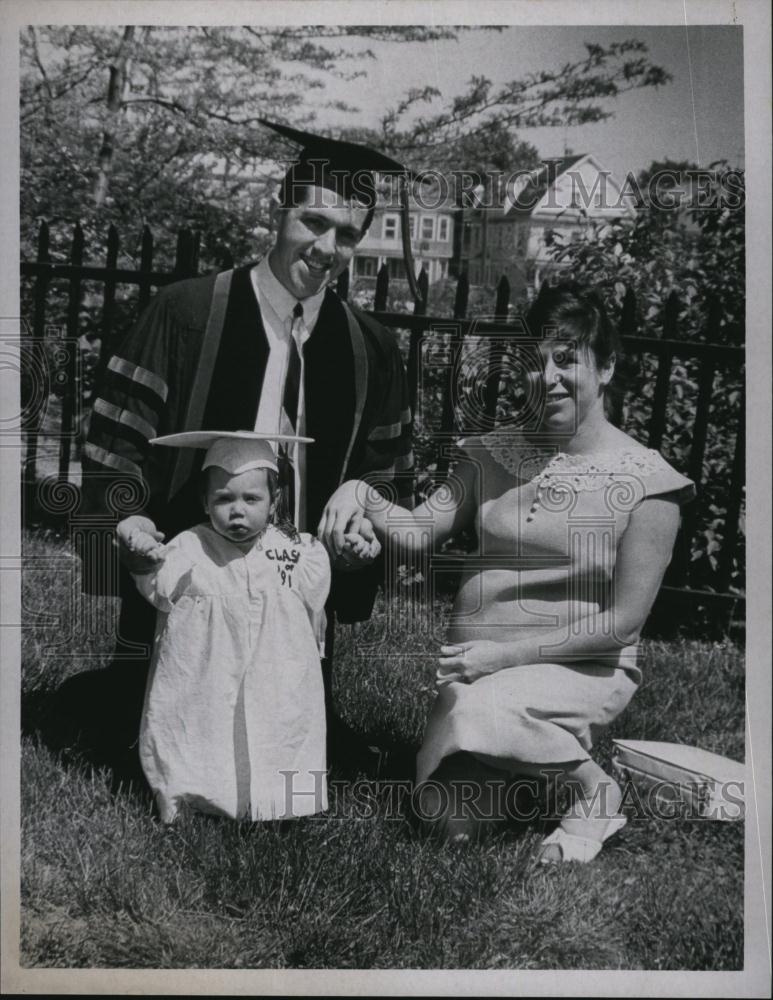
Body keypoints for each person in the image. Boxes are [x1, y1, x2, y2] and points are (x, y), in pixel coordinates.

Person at [68, 121, 416, 778]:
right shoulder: (186, 312)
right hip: (180, 581)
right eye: (312, 221)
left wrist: (362, 514)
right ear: (277, 209)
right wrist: (128, 517)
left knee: (286, 746)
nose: (325, 246)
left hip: (294, 597)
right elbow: (116, 445)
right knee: (140, 730)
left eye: (346, 234)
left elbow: (384, 472)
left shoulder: (370, 348)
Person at [319, 283, 695, 862]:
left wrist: (503, 658)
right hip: (473, 676)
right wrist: (358, 491)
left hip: (577, 669)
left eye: (566, 359)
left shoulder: (650, 485)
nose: (547, 378)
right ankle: (527, 769)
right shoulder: (490, 453)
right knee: (448, 826)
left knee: (483, 712)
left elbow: (621, 625)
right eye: (534, 362)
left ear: (608, 366)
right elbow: (420, 532)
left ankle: (594, 789)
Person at [124, 431, 379, 822]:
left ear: (274, 502)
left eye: (251, 499)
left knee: (284, 728)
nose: (237, 511)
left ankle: (287, 803)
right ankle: (189, 800)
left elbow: (325, 575)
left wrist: (355, 552)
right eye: (224, 499)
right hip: (206, 675)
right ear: (204, 501)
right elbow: (155, 585)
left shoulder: (293, 549)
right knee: (201, 730)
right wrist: (142, 558)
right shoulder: (189, 547)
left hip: (277, 676)